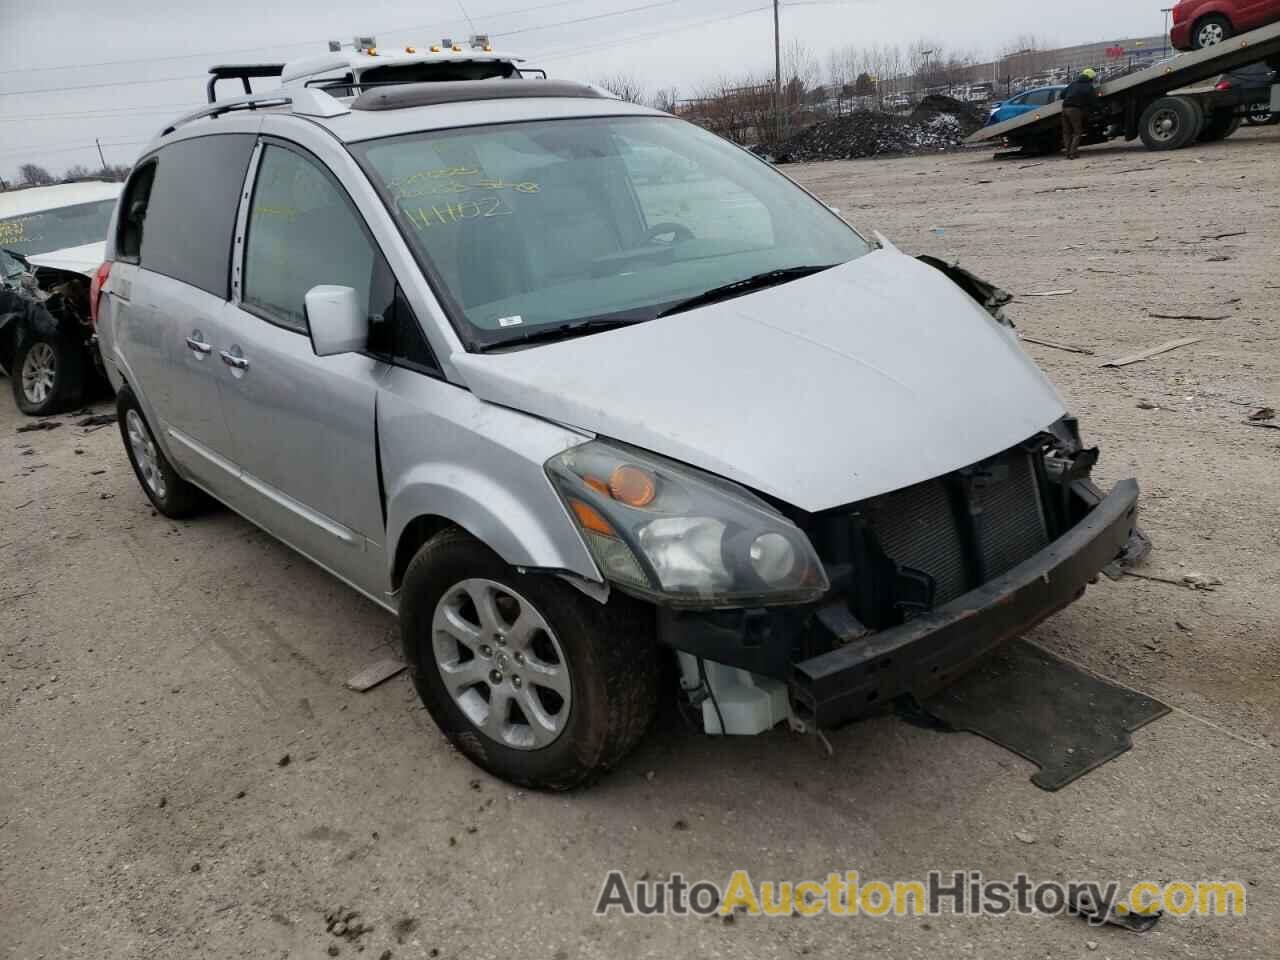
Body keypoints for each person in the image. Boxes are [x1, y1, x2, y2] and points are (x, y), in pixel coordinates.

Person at [1061, 68, 1099, 160]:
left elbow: (1062, 95)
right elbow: (1093, 101)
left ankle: (1067, 153)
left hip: (1064, 109)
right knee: (1077, 132)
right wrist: (1097, 109)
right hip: (1075, 110)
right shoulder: (1089, 87)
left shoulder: (1073, 84)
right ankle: (1073, 153)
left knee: (1067, 132)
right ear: (1090, 78)